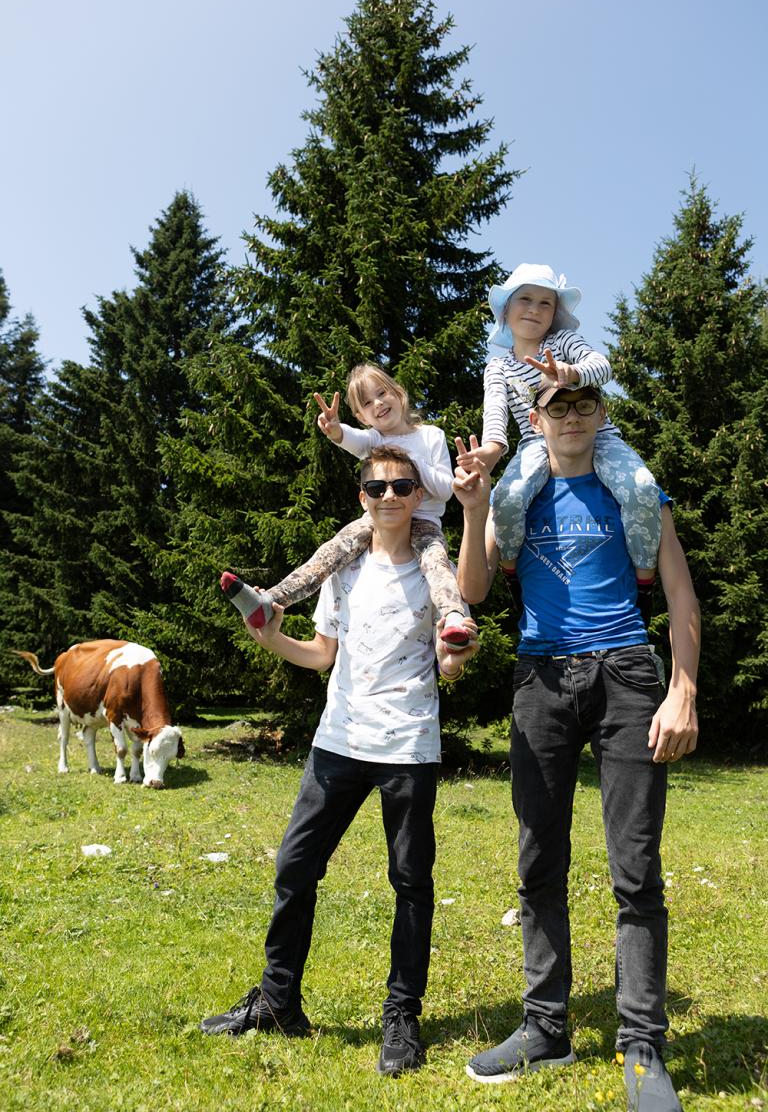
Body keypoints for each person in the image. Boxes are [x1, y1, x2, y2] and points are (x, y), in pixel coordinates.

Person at [453, 382, 699, 1111]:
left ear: (600, 417)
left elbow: (682, 597)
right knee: (538, 861)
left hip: (625, 674)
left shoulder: (635, 496)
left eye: (583, 407)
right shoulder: (515, 499)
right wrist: (471, 509)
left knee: (636, 868)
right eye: (557, 408)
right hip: (540, 680)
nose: (570, 418)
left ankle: (643, 1047)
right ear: (536, 421)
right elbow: (472, 589)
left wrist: (681, 691)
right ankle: (546, 1029)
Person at [202, 445, 479, 1077]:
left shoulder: (436, 576)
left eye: (401, 487)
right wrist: (272, 636)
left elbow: (448, 660)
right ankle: (278, 1002)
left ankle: (402, 1017)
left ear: (417, 497)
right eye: (377, 488)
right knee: (294, 868)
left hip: (408, 745)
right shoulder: (344, 571)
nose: (389, 497)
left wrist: (455, 660)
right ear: (362, 498)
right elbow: (323, 655)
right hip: (338, 740)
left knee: (410, 883)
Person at [456, 263, 660, 619]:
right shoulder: (498, 367)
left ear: (555, 314)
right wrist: (488, 453)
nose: (534, 309)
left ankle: (644, 585)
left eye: (545, 303)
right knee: (507, 497)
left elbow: (603, 364)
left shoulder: (563, 343)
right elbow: (495, 419)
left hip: (601, 438)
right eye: (525, 299)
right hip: (538, 444)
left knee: (642, 487)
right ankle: (511, 576)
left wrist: (572, 372)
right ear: (506, 309)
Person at [222, 362, 470, 649]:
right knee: (330, 552)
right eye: (367, 403)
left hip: (424, 522)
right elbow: (352, 439)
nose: (378, 403)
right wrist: (334, 430)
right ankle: (270, 601)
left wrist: (409, 461)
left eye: (382, 393)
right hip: (376, 522)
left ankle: (453, 617)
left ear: (398, 393)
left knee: (437, 563)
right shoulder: (374, 439)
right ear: (361, 416)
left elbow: (444, 490)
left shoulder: (430, 436)